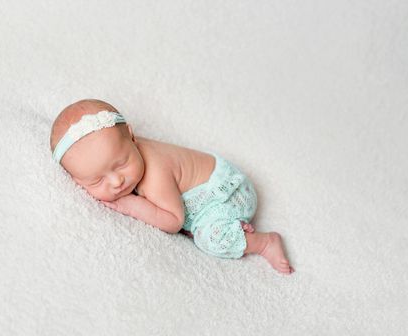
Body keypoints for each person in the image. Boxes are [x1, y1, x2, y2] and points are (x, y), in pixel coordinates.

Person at [50, 99, 294, 274]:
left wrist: (131, 205)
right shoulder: (118, 154)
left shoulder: (154, 173)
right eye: (97, 180)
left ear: (132, 137)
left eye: (122, 163)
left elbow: (173, 221)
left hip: (228, 194)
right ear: (77, 181)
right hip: (214, 186)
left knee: (211, 239)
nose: (116, 182)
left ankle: (264, 242)